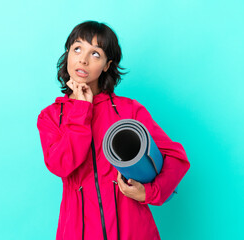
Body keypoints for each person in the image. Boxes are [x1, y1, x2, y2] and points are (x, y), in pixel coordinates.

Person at [37, 20, 190, 240]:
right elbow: (61, 165)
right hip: (77, 232)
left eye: (95, 54)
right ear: (68, 54)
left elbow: (176, 157)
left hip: (133, 230)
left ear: (107, 65)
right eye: (77, 49)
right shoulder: (50, 116)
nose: (83, 59)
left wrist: (148, 192)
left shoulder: (129, 109)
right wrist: (81, 109)